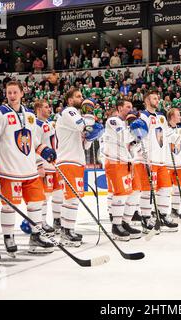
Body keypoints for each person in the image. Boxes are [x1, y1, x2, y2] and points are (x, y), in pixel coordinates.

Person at [0, 81, 56, 256]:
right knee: (9, 205)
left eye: (15, 92)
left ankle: (35, 236)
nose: (12, 95)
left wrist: (45, 151)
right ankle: (8, 236)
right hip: (9, 169)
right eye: (9, 92)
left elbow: (33, 142)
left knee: (36, 203)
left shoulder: (30, 115)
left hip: (29, 169)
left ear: (21, 93)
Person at [55, 91, 104, 246]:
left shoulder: (77, 114)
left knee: (73, 198)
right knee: (71, 198)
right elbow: (83, 126)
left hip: (76, 160)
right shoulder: (69, 111)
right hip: (68, 160)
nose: (81, 99)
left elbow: (87, 142)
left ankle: (68, 230)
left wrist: (92, 135)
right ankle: (65, 232)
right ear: (70, 100)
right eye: (78, 96)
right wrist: (90, 115)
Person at [135, 92, 180, 233]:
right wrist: (144, 155)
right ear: (146, 100)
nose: (157, 100)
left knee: (165, 189)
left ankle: (163, 215)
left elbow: (166, 134)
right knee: (148, 190)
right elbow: (140, 137)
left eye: (157, 98)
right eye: (154, 98)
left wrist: (178, 137)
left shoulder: (161, 117)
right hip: (150, 160)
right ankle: (146, 218)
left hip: (162, 160)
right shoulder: (142, 116)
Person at [103, 100, 142, 240]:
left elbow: (129, 145)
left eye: (131, 107)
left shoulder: (125, 124)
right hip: (115, 162)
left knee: (136, 190)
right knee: (120, 194)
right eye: (128, 107)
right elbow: (124, 136)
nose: (131, 109)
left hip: (127, 162)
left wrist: (136, 141)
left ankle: (125, 222)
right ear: (120, 108)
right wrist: (136, 132)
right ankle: (116, 225)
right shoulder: (113, 120)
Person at [34, 99, 62, 234]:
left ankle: (57, 220)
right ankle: (42, 221)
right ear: (38, 109)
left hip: (53, 166)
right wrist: (39, 165)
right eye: (46, 107)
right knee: (44, 196)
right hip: (45, 166)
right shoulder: (36, 124)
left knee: (58, 194)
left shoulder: (48, 124)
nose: (49, 109)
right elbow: (35, 145)